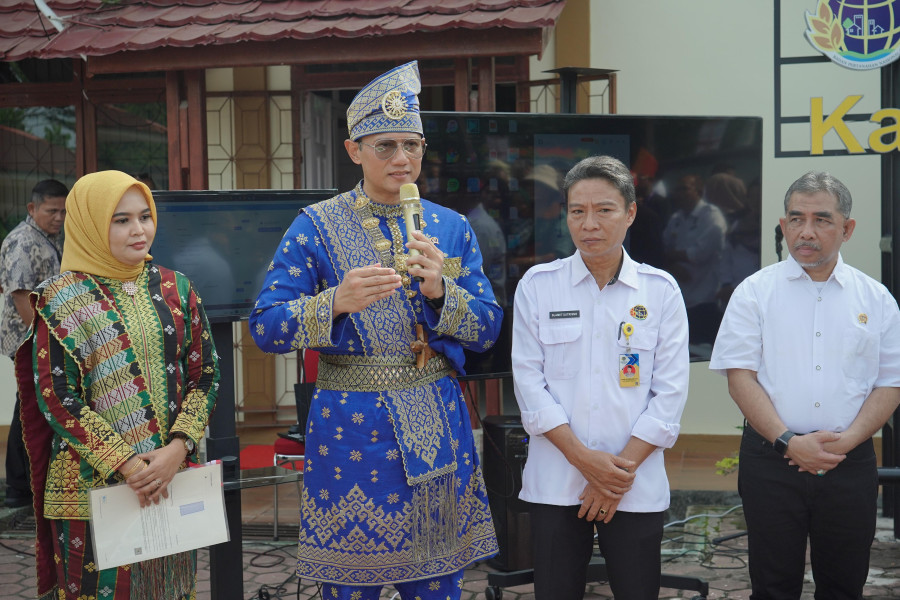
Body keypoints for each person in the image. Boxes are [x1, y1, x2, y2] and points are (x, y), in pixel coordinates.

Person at [250, 61, 502, 600]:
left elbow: (487, 329)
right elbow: (266, 327)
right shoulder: (315, 225)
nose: (402, 159)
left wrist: (442, 293)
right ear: (353, 151)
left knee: (436, 580)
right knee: (348, 585)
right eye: (384, 145)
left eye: (412, 144)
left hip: (435, 419)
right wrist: (334, 302)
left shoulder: (451, 227)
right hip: (351, 426)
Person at [15, 170, 220, 600]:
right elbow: (58, 397)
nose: (139, 229)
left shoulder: (176, 288)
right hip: (90, 492)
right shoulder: (59, 297)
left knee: (169, 593)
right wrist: (129, 465)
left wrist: (175, 451)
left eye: (144, 216)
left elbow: (205, 376)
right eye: (120, 219)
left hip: (170, 478)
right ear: (90, 224)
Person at [709, 171, 900, 599]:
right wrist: (787, 441)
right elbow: (740, 377)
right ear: (783, 225)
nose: (806, 232)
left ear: (847, 229)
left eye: (821, 220)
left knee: (843, 584)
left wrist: (846, 441)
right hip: (771, 461)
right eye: (796, 219)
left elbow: (891, 382)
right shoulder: (754, 293)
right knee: (773, 586)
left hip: (848, 464)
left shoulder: (876, 300)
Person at [511, 155, 690, 600]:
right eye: (578, 211)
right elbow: (529, 386)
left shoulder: (660, 291)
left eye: (604, 210)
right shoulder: (538, 285)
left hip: (635, 483)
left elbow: (669, 395)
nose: (589, 223)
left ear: (630, 213)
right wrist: (584, 461)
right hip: (556, 480)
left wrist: (614, 477)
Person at [0, 178, 68, 509]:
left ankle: (30, 482)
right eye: (51, 211)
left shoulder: (50, 237)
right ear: (32, 208)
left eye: (63, 211)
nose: (59, 217)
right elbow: (20, 296)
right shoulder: (21, 242)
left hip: (45, 335)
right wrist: (41, 337)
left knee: (36, 404)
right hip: (28, 337)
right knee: (28, 405)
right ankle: (17, 486)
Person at [662, 174, 727, 346]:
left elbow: (700, 254)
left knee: (703, 351)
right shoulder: (676, 218)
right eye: (677, 189)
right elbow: (663, 248)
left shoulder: (711, 216)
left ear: (698, 191)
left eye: (684, 189)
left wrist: (673, 256)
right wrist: (672, 263)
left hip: (704, 298)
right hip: (680, 300)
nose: (679, 193)